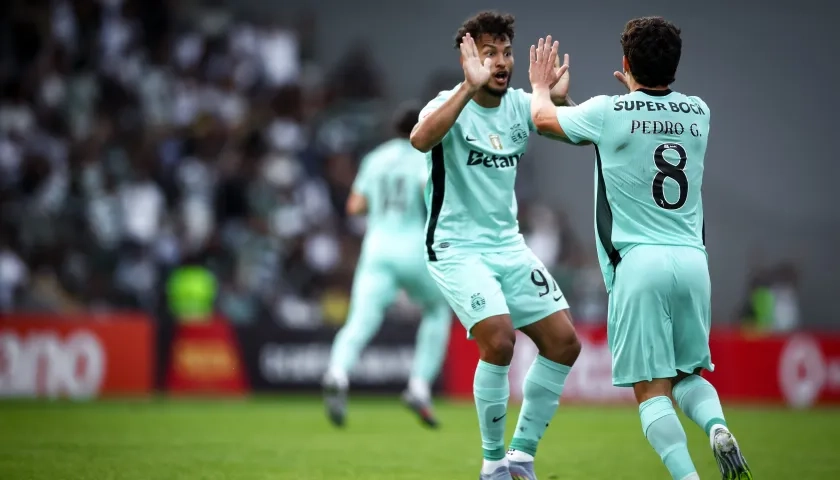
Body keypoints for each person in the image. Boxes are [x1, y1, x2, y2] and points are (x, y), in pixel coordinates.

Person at [527, 17, 752, 480]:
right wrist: (631, 91)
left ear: (625, 63)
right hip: (692, 261)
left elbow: (544, 121)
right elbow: (631, 137)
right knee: (688, 376)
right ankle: (716, 425)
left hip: (639, 265)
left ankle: (688, 478)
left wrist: (540, 87)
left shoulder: (609, 111)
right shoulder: (699, 113)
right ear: (675, 64)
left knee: (651, 389)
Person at [410, 11, 581, 480]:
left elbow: (575, 132)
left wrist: (561, 101)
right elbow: (420, 139)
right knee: (500, 341)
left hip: (508, 247)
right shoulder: (447, 103)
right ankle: (493, 465)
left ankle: (522, 457)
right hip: (456, 248)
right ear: (469, 58)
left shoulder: (523, 105)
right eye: (490, 53)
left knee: (565, 344)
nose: (501, 61)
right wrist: (467, 88)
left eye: (506, 52)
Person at [322, 102, 453, 429]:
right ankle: (419, 386)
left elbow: (355, 206)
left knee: (360, 321)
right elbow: (432, 194)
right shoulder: (424, 155)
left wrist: (380, 207)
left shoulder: (375, 158)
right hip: (413, 248)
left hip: (377, 249)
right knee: (437, 310)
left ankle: (337, 372)